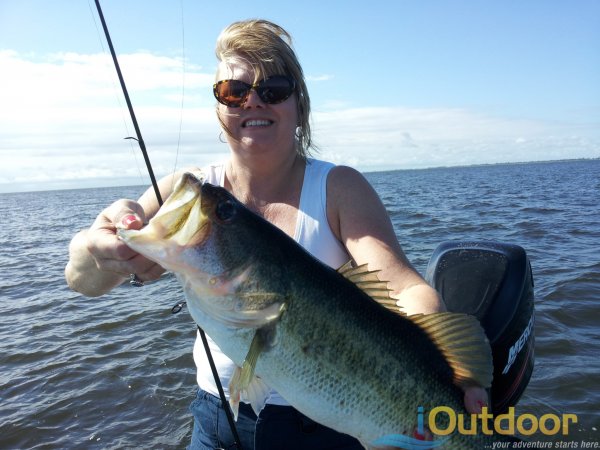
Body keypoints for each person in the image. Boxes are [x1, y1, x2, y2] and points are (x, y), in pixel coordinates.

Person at [65, 19, 488, 450]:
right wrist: (99, 248)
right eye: (233, 91)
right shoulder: (187, 190)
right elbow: (82, 280)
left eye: (274, 90)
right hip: (216, 421)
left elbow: (404, 288)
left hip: (330, 426)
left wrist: (455, 372)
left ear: (299, 106)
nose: (253, 102)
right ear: (218, 108)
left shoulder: (339, 187)